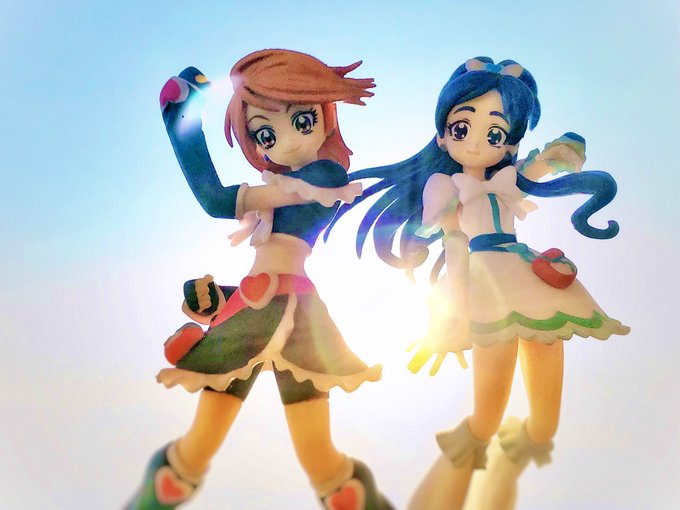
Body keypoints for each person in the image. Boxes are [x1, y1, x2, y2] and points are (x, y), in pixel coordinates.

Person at [330, 56, 629, 510]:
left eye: (495, 134)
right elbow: (453, 248)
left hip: (530, 276)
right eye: (461, 127)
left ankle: (513, 463)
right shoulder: (445, 187)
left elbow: (541, 166)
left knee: (545, 420)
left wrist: (560, 153)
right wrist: (452, 316)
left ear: (509, 143)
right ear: (442, 135)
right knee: (485, 420)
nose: (475, 142)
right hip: (486, 283)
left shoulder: (509, 177)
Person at [126, 49, 392, 510]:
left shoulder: (324, 177)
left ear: (326, 116)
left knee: (320, 461)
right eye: (265, 133)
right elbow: (265, 270)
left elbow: (215, 200)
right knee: (197, 449)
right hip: (258, 307)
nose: (284, 143)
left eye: (302, 121)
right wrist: (217, 300)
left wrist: (181, 122)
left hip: (291, 314)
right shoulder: (281, 193)